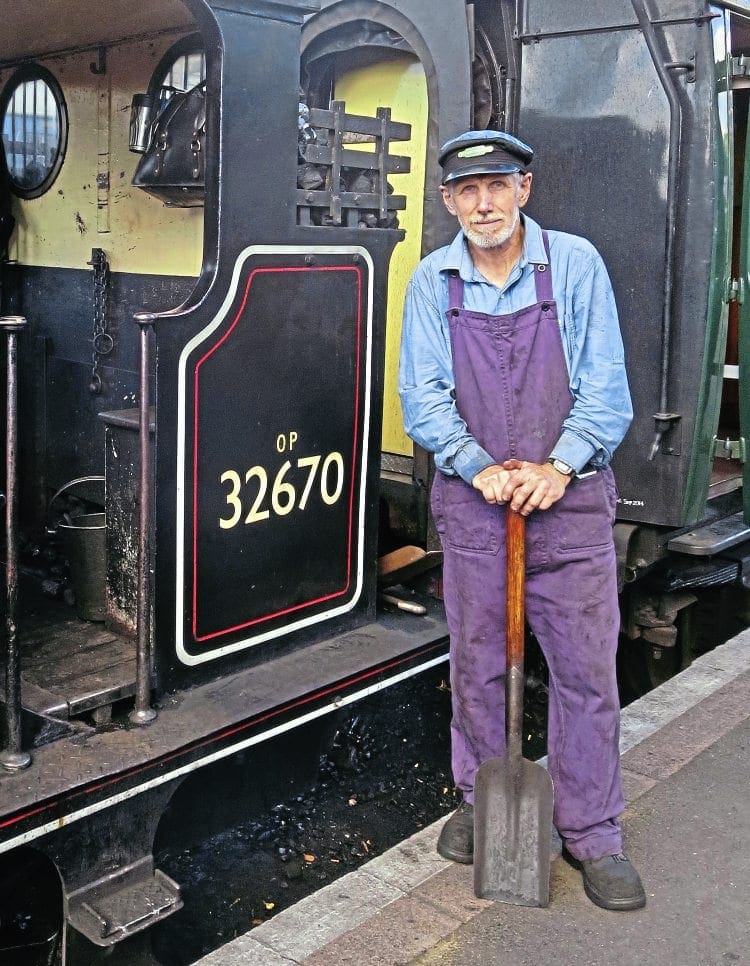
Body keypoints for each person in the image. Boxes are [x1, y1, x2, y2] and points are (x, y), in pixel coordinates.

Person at [398, 130, 645, 911]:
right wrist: (479, 466)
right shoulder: (432, 280)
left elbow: (606, 389)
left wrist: (556, 467)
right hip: (476, 514)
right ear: (449, 202)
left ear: (523, 190)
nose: (484, 204)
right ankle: (478, 798)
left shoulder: (573, 266)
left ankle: (593, 833)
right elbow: (423, 396)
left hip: (567, 514)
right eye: (467, 192)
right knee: (475, 664)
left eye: (497, 186)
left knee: (584, 674)